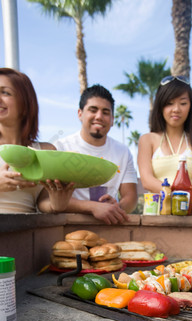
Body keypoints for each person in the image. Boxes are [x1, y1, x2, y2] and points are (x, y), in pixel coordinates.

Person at [55, 84, 138, 225]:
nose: (99, 117)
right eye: (93, 110)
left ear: (112, 120)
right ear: (80, 114)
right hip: (68, 227)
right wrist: (93, 207)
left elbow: (131, 196)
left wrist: (117, 207)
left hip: (109, 227)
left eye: (105, 112)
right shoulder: (60, 147)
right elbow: (50, 200)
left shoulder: (123, 151)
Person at [0, 68, 74, 213]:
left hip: (28, 232)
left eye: (5, 92)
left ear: (25, 104)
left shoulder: (46, 151)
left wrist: (57, 203)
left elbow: (43, 203)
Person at [137, 75, 192, 193]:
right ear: (160, 106)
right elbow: (147, 181)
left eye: (183, 103)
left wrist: (182, 199)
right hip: (156, 210)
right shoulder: (147, 140)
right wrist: (179, 195)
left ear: (190, 106)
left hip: (191, 210)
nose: (176, 109)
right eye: (169, 103)